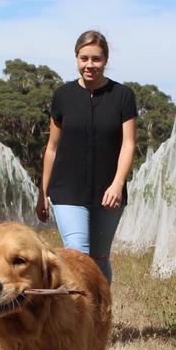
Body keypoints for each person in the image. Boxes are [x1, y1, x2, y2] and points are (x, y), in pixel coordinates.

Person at [36, 31, 137, 284]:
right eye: (84, 59)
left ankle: (101, 317)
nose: (89, 65)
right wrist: (42, 192)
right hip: (67, 189)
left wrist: (117, 184)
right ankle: (80, 319)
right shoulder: (62, 96)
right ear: (76, 59)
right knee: (77, 255)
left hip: (108, 192)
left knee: (99, 257)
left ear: (105, 60)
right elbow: (52, 147)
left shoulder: (123, 96)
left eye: (96, 59)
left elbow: (128, 145)